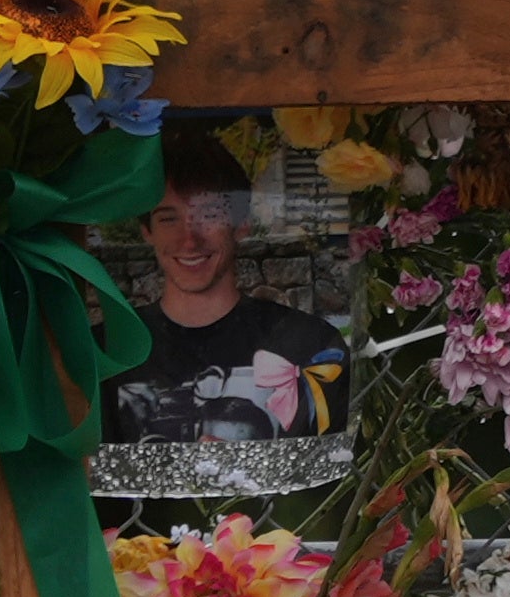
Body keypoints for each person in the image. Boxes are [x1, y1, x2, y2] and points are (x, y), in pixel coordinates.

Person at [105, 123, 344, 442]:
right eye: (168, 218)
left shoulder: (310, 345)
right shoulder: (107, 353)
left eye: (209, 215)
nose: (189, 240)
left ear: (242, 224)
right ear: (147, 231)